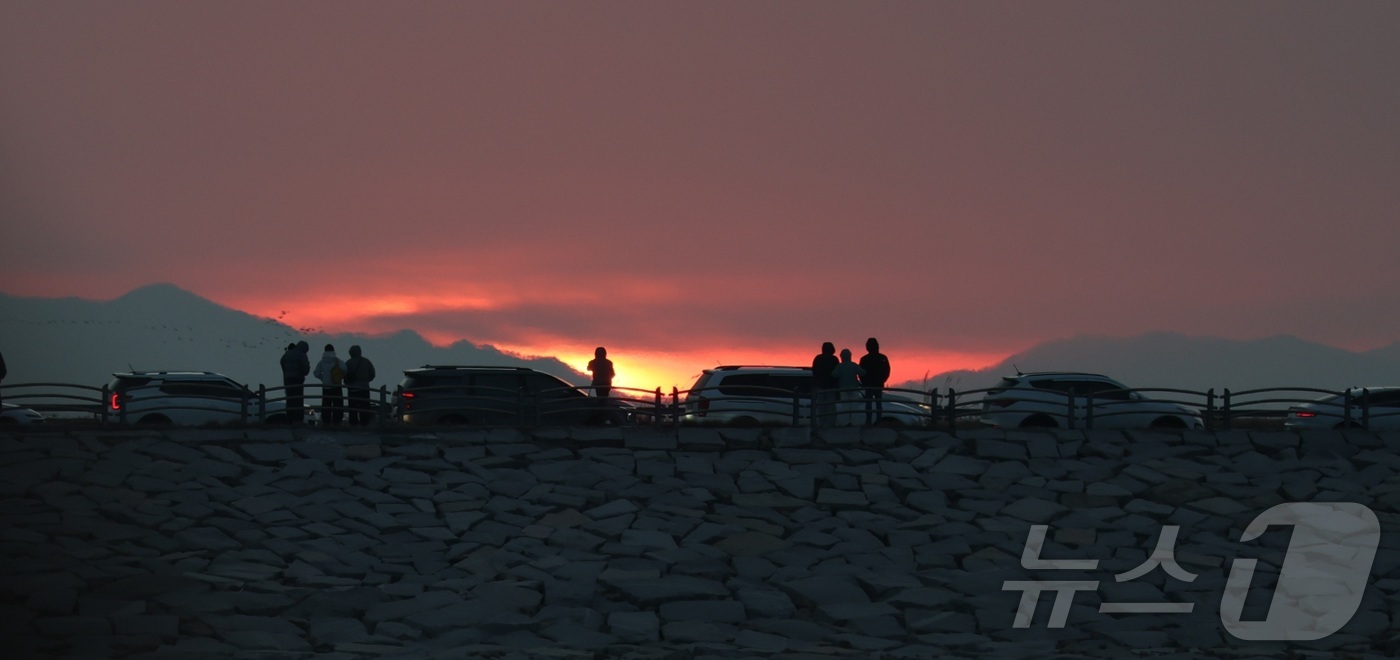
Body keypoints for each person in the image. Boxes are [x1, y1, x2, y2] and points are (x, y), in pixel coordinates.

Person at [830, 348, 866, 426]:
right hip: (854, 389)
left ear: (842, 357)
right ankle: (854, 423)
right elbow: (863, 373)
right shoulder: (854, 365)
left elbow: (834, 374)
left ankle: (845, 423)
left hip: (843, 389)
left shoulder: (840, 366)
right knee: (854, 407)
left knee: (845, 407)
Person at [859, 337, 891, 425]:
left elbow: (861, 372)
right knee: (878, 404)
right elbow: (887, 370)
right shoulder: (882, 358)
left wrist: (864, 382)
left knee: (869, 404)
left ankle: (868, 421)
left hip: (869, 384)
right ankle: (878, 421)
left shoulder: (864, 359)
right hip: (878, 384)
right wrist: (882, 380)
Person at [313, 343, 346, 427]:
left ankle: (326, 421)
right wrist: (340, 377)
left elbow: (316, 373)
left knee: (326, 404)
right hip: (337, 386)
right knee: (337, 404)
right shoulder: (338, 361)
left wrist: (323, 378)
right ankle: (337, 421)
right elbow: (345, 370)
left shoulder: (322, 362)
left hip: (326, 387)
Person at [344, 344, 376, 426]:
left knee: (353, 407)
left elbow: (344, 375)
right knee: (364, 406)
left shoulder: (348, 363)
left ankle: (353, 422)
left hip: (352, 389)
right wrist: (366, 380)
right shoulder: (366, 362)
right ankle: (364, 422)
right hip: (364, 388)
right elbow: (372, 374)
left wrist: (348, 384)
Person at [280, 341, 311, 424]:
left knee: (290, 399)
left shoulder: (287, 353)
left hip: (288, 380)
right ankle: (298, 419)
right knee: (298, 400)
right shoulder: (302, 355)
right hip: (298, 380)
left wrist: (286, 372)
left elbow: (282, 362)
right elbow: (306, 370)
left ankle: (289, 418)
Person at [811, 342, 839, 427]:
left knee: (820, 406)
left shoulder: (818, 358)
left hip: (820, 385)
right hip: (830, 386)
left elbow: (814, 371)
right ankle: (830, 423)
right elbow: (836, 373)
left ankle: (821, 423)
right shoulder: (834, 359)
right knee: (830, 406)